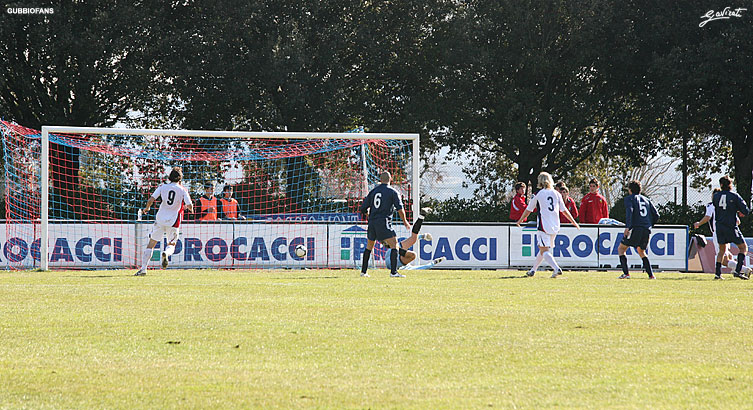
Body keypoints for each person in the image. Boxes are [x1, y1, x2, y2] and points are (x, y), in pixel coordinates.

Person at [516, 172, 580, 278]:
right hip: (555, 225)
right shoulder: (557, 194)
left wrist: (519, 221)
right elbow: (564, 210)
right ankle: (533, 270)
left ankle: (556, 268)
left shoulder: (538, 194)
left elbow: (528, 210)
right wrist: (574, 222)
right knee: (543, 249)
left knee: (544, 250)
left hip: (543, 226)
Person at [135, 167, 194, 276]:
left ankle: (143, 269)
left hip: (160, 218)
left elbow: (151, 199)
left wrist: (147, 208)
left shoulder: (162, 187)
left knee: (151, 244)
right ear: (180, 178)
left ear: (170, 177)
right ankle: (166, 253)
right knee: (172, 243)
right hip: (173, 220)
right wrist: (191, 209)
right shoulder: (182, 189)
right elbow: (189, 205)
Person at [359, 171, 411, 278]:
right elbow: (400, 209)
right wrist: (405, 221)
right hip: (383, 221)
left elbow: (363, 208)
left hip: (372, 222)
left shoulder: (373, 191)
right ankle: (393, 272)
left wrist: (369, 215)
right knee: (394, 244)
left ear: (380, 180)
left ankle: (363, 272)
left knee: (369, 247)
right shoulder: (392, 192)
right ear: (390, 179)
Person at [694, 188, 752, 278]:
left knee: (723, 259)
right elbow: (738, 221)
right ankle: (736, 270)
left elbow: (707, 217)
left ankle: (742, 270)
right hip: (730, 230)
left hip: (718, 232)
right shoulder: (728, 204)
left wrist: (699, 223)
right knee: (728, 256)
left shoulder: (712, 205)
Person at [617, 180, 659, 279]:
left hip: (636, 228)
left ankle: (626, 274)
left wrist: (628, 227)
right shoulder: (647, 200)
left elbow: (630, 212)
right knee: (641, 251)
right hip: (646, 229)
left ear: (630, 190)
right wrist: (649, 225)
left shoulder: (629, 199)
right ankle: (651, 275)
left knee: (621, 249)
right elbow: (656, 215)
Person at [711, 175, 750, 280]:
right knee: (743, 248)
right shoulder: (734, 196)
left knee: (721, 251)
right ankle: (738, 271)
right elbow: (745, 210)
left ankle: (717, 274)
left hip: (719, 226)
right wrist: (738, 210)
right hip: (730, 226)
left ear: (721, 185)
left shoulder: (716, 196)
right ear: (730, 185)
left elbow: (720, 207)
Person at [382, 210, 446, 273]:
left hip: (390, 255)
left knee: (413, 243)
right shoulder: (409, 268)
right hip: (392, 260)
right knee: (413, 252)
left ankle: (422, 216)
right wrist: (433, 263)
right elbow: (423, 267)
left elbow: (424, 267)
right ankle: (421, 216)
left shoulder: (408, 266)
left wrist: (422, 236)